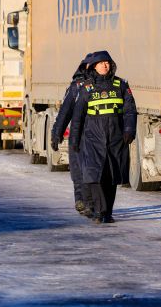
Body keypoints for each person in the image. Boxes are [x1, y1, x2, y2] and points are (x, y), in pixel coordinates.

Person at [68, 51, 137, 224]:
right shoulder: (87, 88)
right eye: (100, 63)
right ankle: (100, 210)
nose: (104, 65)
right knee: (94, 176)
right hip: (93, 140)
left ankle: (107, 213)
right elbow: (77, 117)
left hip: (115, 140)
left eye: (107, 62)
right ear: (93, 67)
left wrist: (129, 129)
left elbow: (130, 110)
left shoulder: (120, 85)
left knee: (111, 177)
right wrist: (74, 141)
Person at [51, 53, 93, 216]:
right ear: (85, 67)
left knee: (91, 171)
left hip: (95, 136)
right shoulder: (76, 87)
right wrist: (57, 134)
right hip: (78, 135)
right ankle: (80, 200)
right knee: (77, 171)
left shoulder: (102, 85)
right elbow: (64, 113)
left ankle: (91, 203)